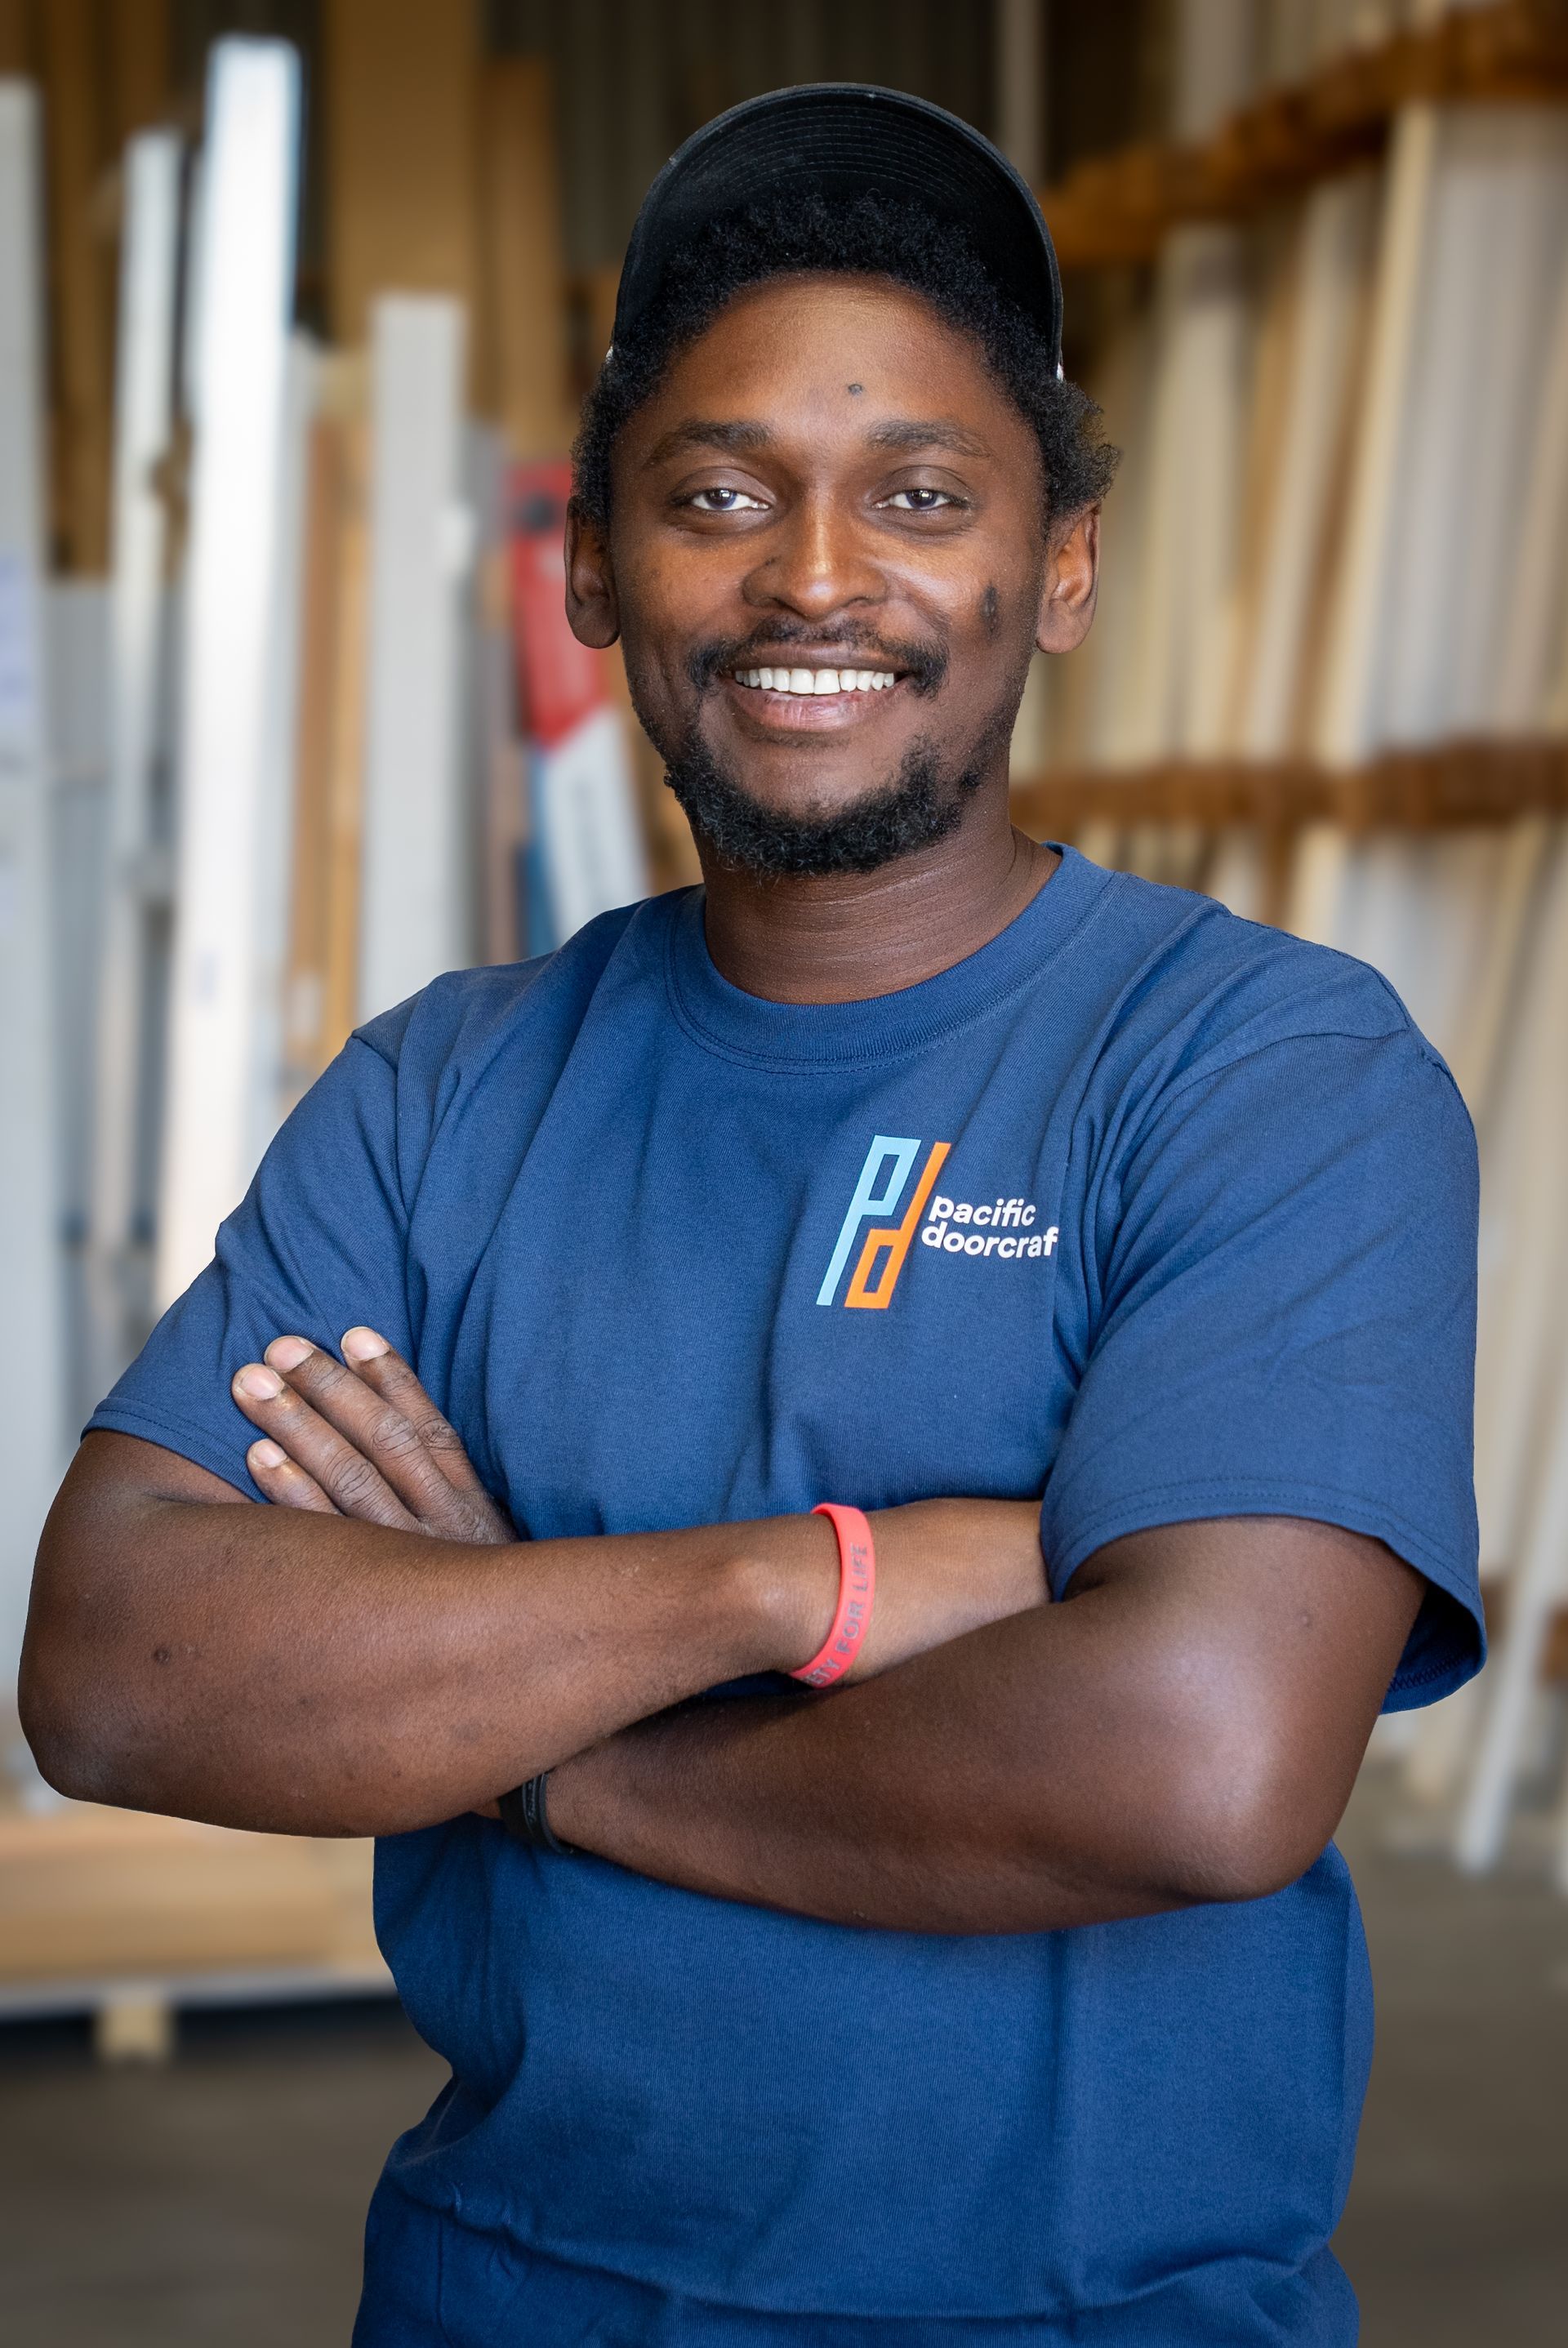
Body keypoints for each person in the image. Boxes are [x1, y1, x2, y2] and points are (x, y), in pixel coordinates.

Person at [23, 85, 1481, 2348]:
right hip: (496, 2302)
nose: (813, 576)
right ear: (595, 565)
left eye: (921, 494)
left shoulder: (1258, 1068)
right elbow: (118, 1665)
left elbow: (1202, 1761)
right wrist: (808, 1581)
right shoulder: (448, 1090)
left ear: (1062, 566)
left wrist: (521, 1716)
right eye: (717, 495)